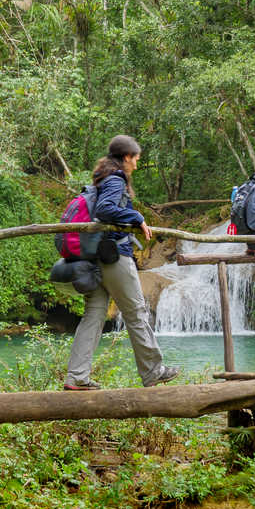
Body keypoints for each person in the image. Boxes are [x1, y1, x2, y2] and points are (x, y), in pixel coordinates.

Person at [64, 135, 180, 391]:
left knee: (93, 316)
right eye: (136, 159)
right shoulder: (116, 179)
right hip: (113, 256)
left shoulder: (103, 177)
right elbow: (105, 210)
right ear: (127, 157)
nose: (137, 165)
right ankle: (153, 370)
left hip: (93, 257)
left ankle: (76, 377)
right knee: (136, 311)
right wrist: (136, 216)